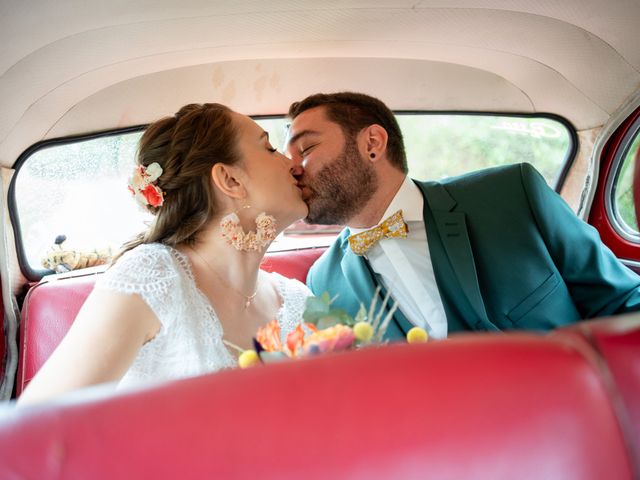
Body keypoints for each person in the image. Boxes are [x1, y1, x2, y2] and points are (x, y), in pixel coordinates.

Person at [286, 92, 640, 340]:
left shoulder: (512, 195)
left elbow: (620, 303)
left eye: (305, 149)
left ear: (373, 144)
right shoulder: (324, 281)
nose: (292, 169)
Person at [18, 103, 310, 404]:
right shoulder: (151, 278)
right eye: (271, 148)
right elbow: (36, 423)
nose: (294, 165)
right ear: (230, 180)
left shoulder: (297, 301)